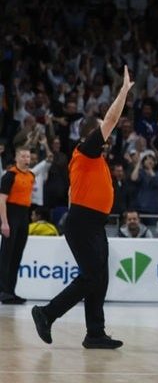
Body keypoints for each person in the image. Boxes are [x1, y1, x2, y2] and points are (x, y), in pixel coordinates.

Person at [31, 66, 134, 349]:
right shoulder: (86, 150)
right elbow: (112, 119)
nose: (108, 133)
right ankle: (46, 313)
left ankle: (95, 333)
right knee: (91, 276)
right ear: (91, 133)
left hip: (91, 223)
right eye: (102, 129)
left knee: (99, 278)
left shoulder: (93, 160)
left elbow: (72, 191)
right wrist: (123, 91)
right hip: (83, 222)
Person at [0, 146, 35, 304]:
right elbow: (1, 200)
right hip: (11, 215)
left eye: (28, 156)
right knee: (6, 255)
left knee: (17, 255)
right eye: (23, 156)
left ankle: (11, 291)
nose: (26, 159)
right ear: (16, 158)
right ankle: (3, 291)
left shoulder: (31, 176)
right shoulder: (10, 175)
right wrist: (4, 222)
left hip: (24, 215)